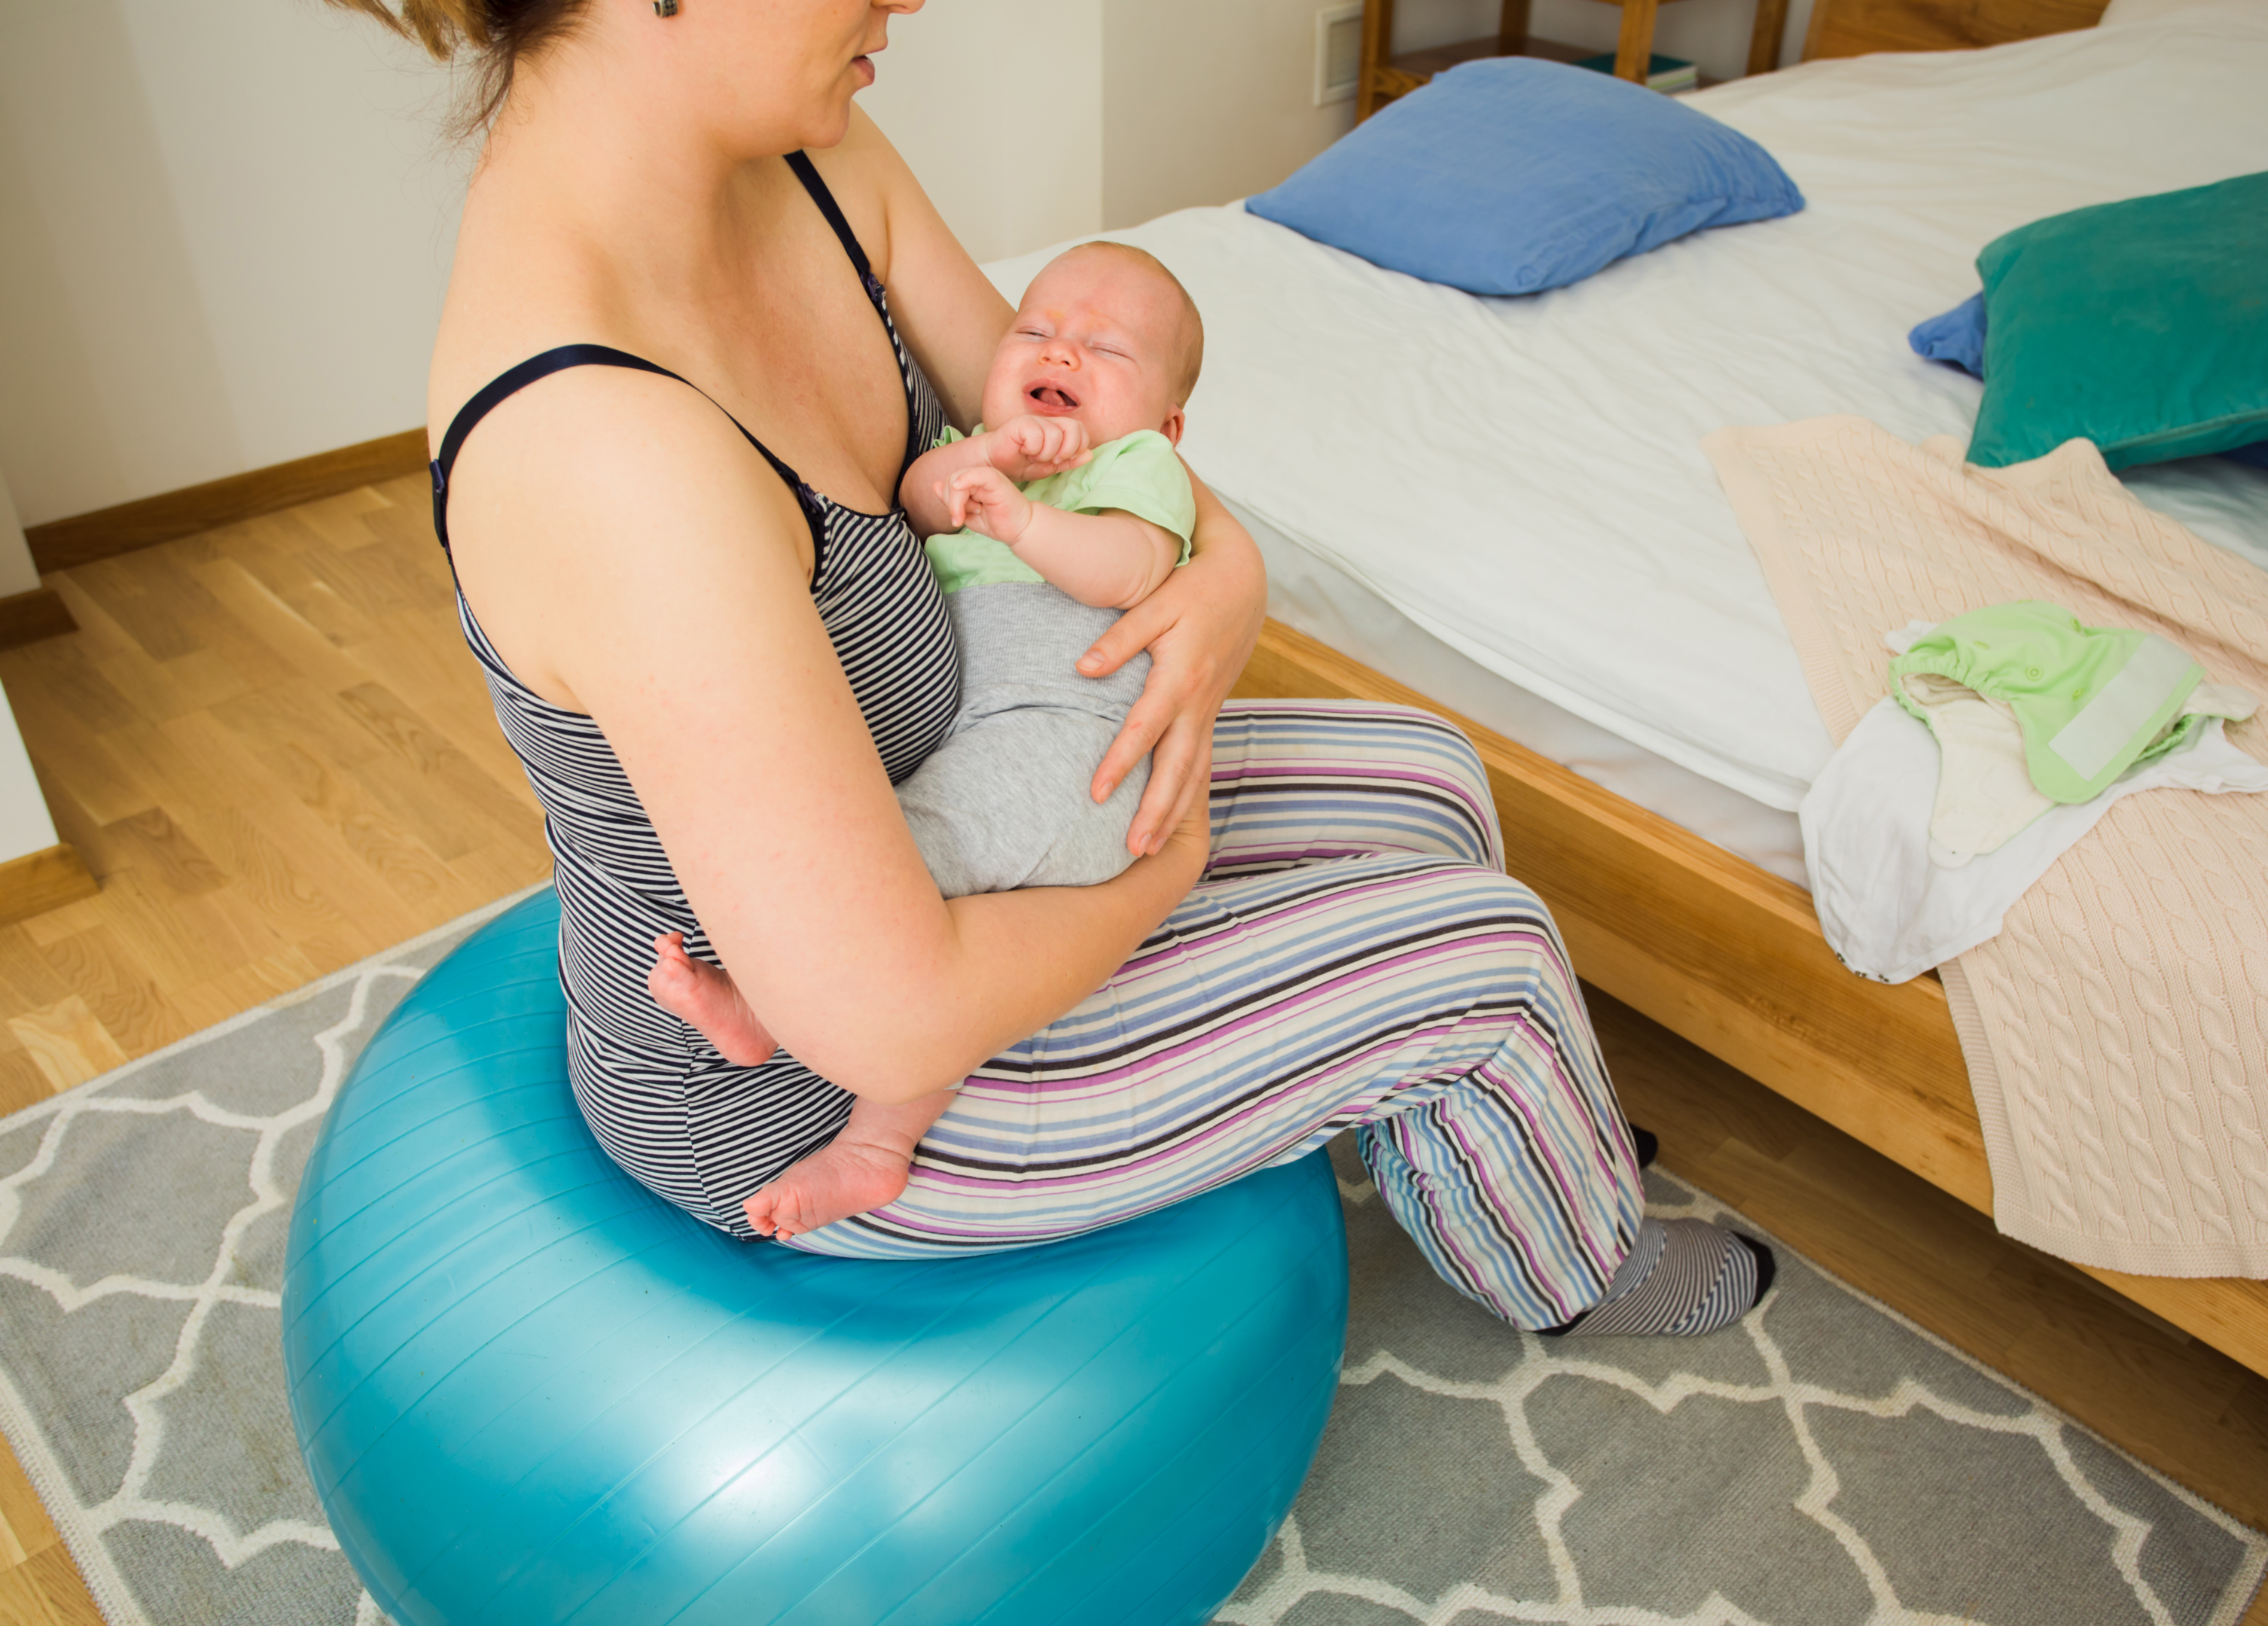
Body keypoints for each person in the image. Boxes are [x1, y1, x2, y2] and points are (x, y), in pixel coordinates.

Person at [341, 0, 1773, 1340]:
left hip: (965, 825)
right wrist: (1169, 847)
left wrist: (1229, 585)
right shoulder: (607, 451)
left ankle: (1510, 1136)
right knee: (1492, 958)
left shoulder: (815, 162)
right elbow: (886, 1011)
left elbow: (1111, 446)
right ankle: (1585, 1267)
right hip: (811, 1088)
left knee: (1430, 778)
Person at [649, 239, 1207, 1237]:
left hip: (1068, 746)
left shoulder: (1140, 466)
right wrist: (980, 464)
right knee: (920, 890)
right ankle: (873, 1144)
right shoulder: (982, 449)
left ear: (1166, 420)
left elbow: (1129, 569)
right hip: (994, 737)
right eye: (1036, 332)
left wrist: (1025, 527)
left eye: (1107, 350)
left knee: (902, 874)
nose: (1064, 353)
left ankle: (786, 1023)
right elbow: (914, 497)